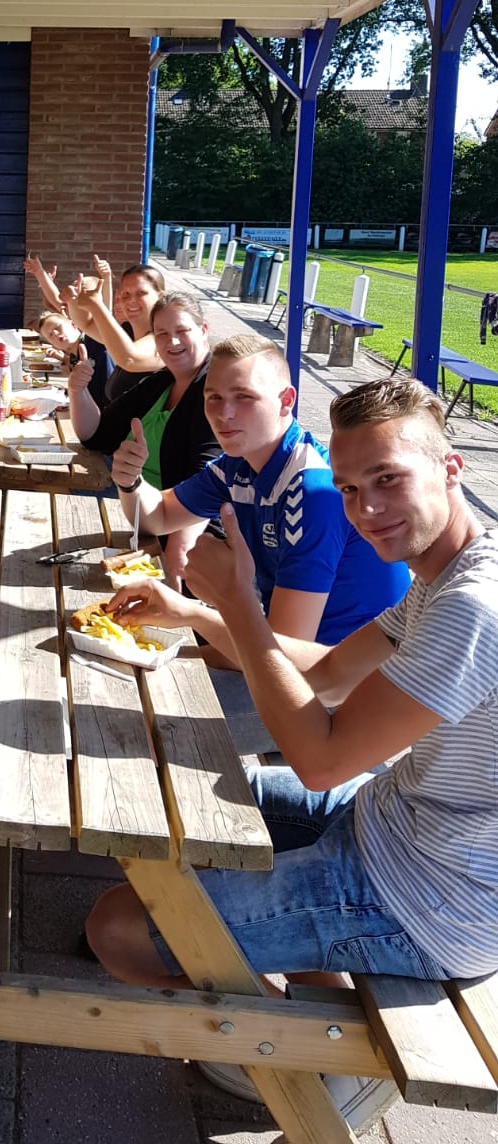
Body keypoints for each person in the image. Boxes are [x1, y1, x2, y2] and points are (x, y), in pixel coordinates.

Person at [86, 375, 498, 1128]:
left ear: (451, 468)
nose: (365, 509)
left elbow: (321, 758)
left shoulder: (473, 608)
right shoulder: (451, 570)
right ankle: (298, 1006)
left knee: (117, 932)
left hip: (431, 899)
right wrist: (195, 612)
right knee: (160, 804)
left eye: (388, 479)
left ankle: (300, 1054)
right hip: (387, 824)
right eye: (350, 488)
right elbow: (331, 673)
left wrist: (238, 602)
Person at [109, 334, 410, 751]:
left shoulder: (312, 492)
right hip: (286, 662)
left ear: (286, 401)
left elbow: (280, 658)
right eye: (213, 398)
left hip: (339, 700)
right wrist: (130, 481)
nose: (224, 413)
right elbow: (159, 515)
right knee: (122, 679)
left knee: (135, 721)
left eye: (244, 397)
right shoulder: (239, 465)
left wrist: (189, 620)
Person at [74, 293, 220, 582]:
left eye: (182, 330)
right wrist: (77, 390)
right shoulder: (162, 381)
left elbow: (205, 488)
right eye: (162, 333)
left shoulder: (214, 391)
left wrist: (173, 549)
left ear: (203, 330)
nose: (172, 341)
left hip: (184, 538)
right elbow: (96, 436)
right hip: (139, 515)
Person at [67, 260, 167, 401]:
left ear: (160, 296)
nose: (131, 300)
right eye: (126, 294)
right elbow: (86, 324)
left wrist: (97, 306)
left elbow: (130, 359)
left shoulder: (164, 336)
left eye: (141, 293)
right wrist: (72, 299)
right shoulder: (127, 331)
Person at [37, 309, 111, 409]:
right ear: (54, 345)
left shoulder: (94, 339)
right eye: (50, 335)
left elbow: (104, 317)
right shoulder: (73, 357)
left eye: (57, 327)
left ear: (74, 324)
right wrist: (63, 358)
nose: (55, 333)